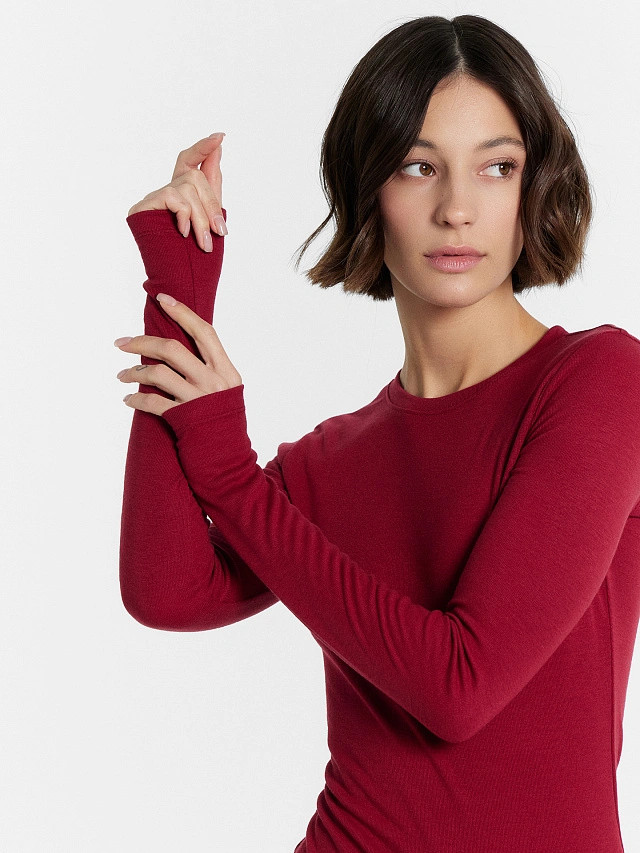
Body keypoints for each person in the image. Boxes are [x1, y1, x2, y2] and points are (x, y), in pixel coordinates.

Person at [114, 14, 640, 853]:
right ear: (370, 190)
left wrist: (233, 479)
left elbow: (460, 686)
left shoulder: (599, 382)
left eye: (496, 166)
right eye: (418, 166)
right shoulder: (331, 460)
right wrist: (178, 287)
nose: (457, 208)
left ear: (534, 185)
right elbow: (166, 590)